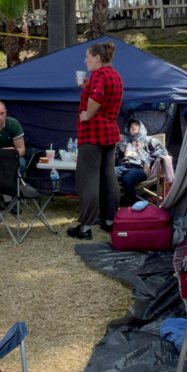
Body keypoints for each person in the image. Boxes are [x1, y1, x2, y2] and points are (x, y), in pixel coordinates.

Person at [67, 41, 123, 240]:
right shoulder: (114, 74)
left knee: (88, 178)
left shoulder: (99, 74)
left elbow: (98, 97)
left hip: (93, 133)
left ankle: (85, 227)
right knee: (108, 177)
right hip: (110, 132)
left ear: (97, 58)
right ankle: (110, 221)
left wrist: (87, 115)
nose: (85, 60)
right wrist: (87, 86)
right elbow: (102, 94)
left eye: (87, 57)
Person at [115, 118, 168, 205]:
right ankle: (112, 204)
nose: (133, 127)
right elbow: (116, 155)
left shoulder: (149, 140)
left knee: (127, 178)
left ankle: (131, 205)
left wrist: (148, 161)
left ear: (142, 128)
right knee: (107, 175)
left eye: (136, 125)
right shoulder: (125, 141)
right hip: (124, 167)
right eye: (131, 126)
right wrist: (117, 146)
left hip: (140, 168)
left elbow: (162, 151)